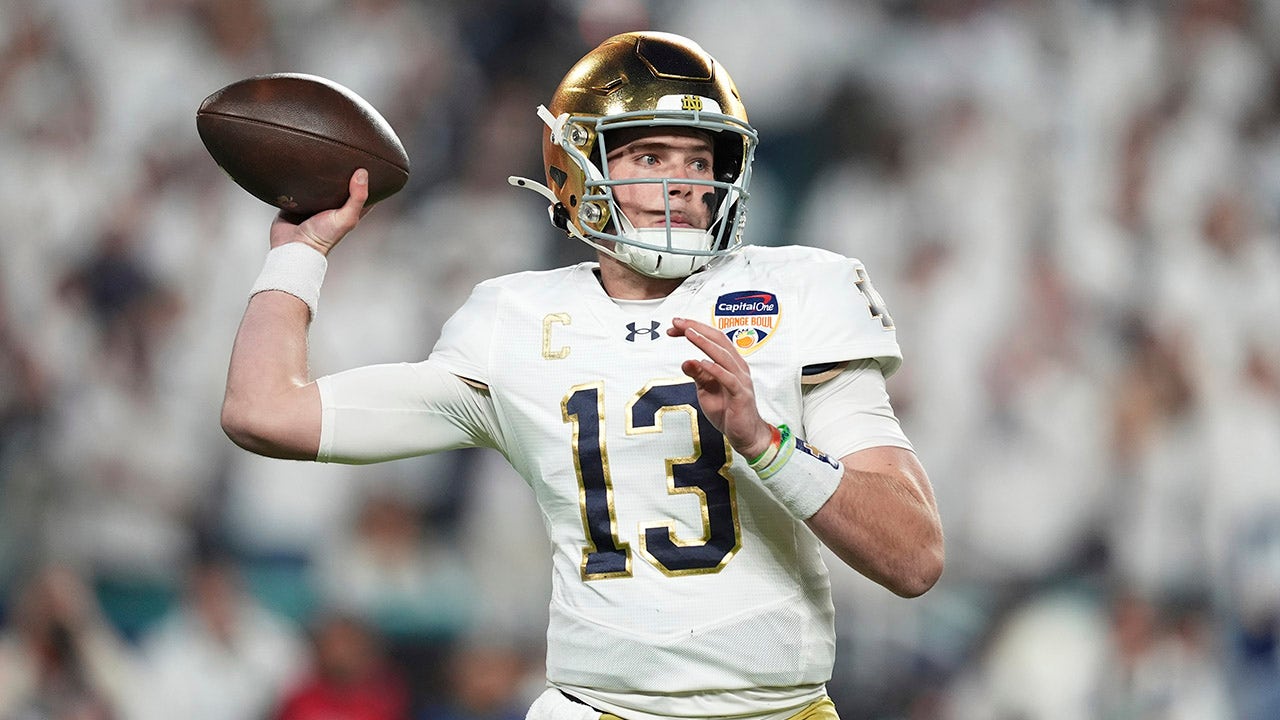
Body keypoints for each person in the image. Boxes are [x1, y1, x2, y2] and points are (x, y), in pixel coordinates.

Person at [220, 30, 943, 720]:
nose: (682, 184)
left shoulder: (800, 290)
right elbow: (264, 412)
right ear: (576, 168)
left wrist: (767, 443)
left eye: (700, 161)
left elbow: (913, 556)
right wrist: (299, 253)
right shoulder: (514, 320)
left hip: (781, 708)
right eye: (651, 156)